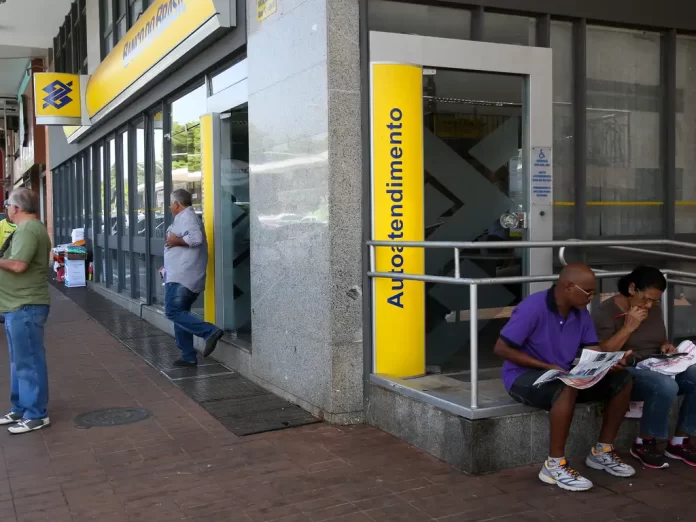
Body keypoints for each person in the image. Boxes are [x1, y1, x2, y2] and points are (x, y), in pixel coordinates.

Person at [494, 263, 635, 492]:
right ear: (568, 286)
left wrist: (608, 363)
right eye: (587, 292)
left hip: (563, 373)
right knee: (565, 387)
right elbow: (501, 348)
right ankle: (554, 465)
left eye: (593, 292)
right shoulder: (533, 307)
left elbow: (593, 351)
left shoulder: (581, 312)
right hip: (522, 377)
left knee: (623, 380)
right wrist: (547, 366)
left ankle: (602, 452)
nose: (591, 297)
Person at [593, 266, 696, 469]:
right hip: (628, 369)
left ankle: (680, 440)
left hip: (658, 364)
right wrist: (628, 327)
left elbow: (659, 339)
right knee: (665, 385)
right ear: (632, 288)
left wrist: (667, 346)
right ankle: (644, 442)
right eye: (646, 299)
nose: (649, 305)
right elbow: (603, 353)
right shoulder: (605, 311)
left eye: (654, 301)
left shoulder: (653, 308)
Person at [0, 189, 52, 434]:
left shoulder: (28, 230)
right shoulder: (27, 229)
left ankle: (36, 414)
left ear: (16, 208)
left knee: (28, 361)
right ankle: (21, 408)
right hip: (18, 305)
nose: (6, 209)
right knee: (19, 361)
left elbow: (19, 265)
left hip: (25, 305)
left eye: (7, 204)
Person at [163, 189, 224, 367]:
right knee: (180, 314)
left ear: (176, 204)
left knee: (173, 312)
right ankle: (188, 356)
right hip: (179, 274)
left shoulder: (187, 217)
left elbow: (196, 239)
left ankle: (209, 331)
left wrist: (176, 241)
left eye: (171, 204)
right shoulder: (184, 218)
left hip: (183, 278)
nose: (170, 207)